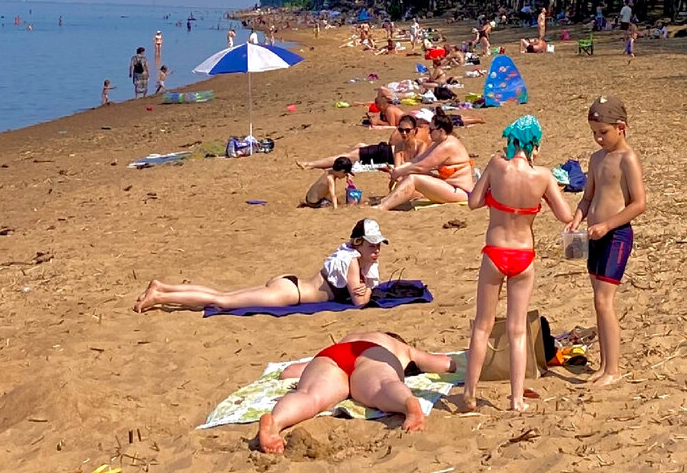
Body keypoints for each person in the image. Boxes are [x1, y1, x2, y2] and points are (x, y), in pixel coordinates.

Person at [463, 117, 572, 412]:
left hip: (495, 251)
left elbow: (473, 202)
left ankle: (470, 394)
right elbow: (565, 215)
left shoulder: (497, 166)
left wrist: (491, 197)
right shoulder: (544, 176)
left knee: (483, 326)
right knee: (517, 329)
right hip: (523, 254)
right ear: (534, 145)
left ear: (511, 141)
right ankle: (516, 399)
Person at [256, 331, 456, 454]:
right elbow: (445, 364)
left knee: (310, 396)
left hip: (332, 353)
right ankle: (408, 405)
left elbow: (288, 372)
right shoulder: (399, 346)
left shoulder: (349, 338)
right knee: (383, 385)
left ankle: (275, 422)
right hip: (374, 353)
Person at [133, 218, 388, 312]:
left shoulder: (346, 253)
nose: (376, 250)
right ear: (358, 243)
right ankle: (158, 297)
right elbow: (360, 301)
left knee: (221, 295)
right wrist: (367, 286)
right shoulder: (353, 262)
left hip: (289, 284)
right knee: (220, 301)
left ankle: (162, 288)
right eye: (371, 245)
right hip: (290, 294)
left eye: (378, 245)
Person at [565, 95, 647, 387]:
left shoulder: (628, 159)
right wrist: (577, 217)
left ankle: (613, 368)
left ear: (621, 127)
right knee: (598, 302)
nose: (599, 139)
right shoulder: (596, 158)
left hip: (616, 234)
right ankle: (603, 365)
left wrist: (607, 225)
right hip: (594, 235)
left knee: (604, 301)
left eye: (604, 132)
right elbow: (588, 196)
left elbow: (638, 204)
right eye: (594, 133)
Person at [374, 116, 475, 210]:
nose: (428, 133)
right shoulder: (439, 143)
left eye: (431, 130)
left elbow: (421, 166)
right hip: (450, 186)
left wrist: (399, 172)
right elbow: (418, 160)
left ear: (440, 131)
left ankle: (382, 207)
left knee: (413, 178)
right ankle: (383, 202)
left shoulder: (448, 145)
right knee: (413, 176)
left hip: (461, 191)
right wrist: (398, 170)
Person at [299, 114, 430, 173]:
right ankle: (311, 164)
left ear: (415, 130)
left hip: (384, 153)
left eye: (407, 131)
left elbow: (415, 165)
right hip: (384, 152)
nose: (404, 133)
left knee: (355, 151)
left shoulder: (420, 145)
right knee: (351, 154)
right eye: (401, 130)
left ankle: (315, 164)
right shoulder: (401, 146)